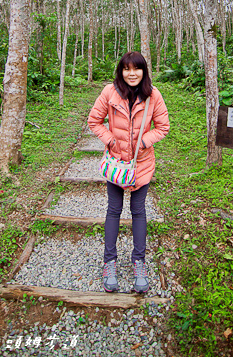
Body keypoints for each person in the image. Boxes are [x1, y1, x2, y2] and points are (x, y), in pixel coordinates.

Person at [88, 51, 170, 293]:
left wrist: (144, 141)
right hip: (116, 164)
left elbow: (163, 126)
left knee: (138, 211)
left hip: (141, 164)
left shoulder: (153, 95)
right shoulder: (109, 92)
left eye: (136, 69)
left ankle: (139, 261)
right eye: (126, 69)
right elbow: (94, 121)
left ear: (144, 71)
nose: (131, 74)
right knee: (113, 210)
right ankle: (109, 262)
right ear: (121, 71)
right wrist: (111, 140)